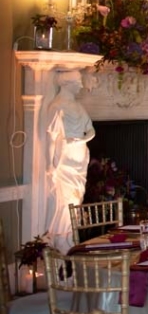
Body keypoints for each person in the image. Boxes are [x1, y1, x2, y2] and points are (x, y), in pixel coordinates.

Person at [46, 70, 96, 252]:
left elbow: (91, 131)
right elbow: (52, 138)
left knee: (77, 195)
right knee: (66, 199)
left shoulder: (78, 107)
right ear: (67, 84)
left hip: (80, 155)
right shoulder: (56, 106)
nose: (82, 86)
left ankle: (69, 236)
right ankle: (64, 237)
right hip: (65, 158)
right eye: (79, 82)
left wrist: (81, 140)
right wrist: (50, 164)